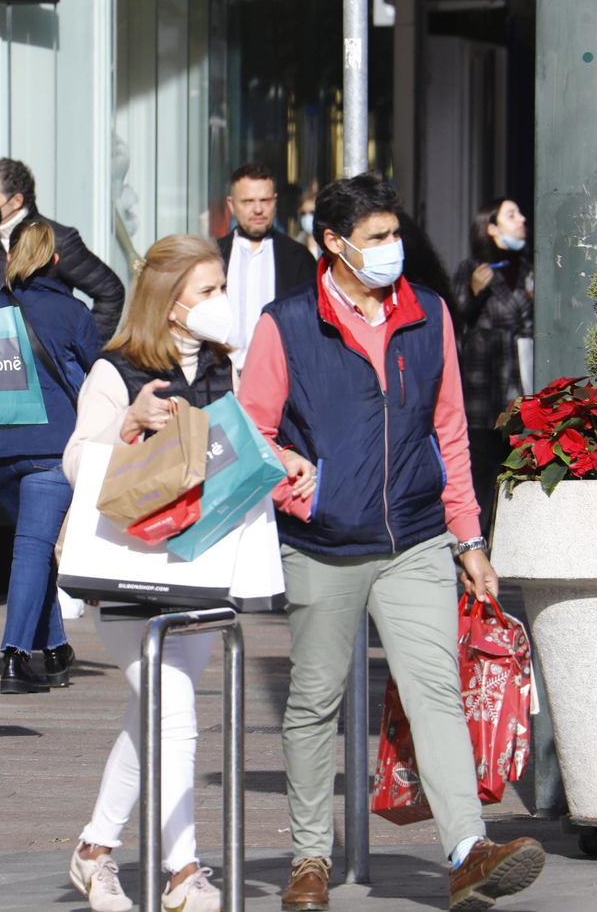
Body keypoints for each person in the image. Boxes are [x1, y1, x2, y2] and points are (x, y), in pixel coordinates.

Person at [238, 173, 545, 912]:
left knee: (436, 690)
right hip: (324, 543)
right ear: (336, 245)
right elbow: (251, 429)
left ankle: (468, 850)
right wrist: (292, 487)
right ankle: (310, 858)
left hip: (415, 537)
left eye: (394, 233)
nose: (391, 249)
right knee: (313, 701)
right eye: (375, 239)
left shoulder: (427, 313)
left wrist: (470, 538)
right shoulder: (286, 324)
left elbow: (448, 433)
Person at [61, 235, 241, 912]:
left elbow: (241, 445)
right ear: (169, 304)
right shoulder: (119, 369)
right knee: (175, 712)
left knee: (154, 715)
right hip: (127, 570)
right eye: (207, 290)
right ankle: (182, 871)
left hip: (198, 564)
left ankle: (93, 853)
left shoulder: (226, 366)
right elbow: (76, 464)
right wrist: (129, 425)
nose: (220, 301)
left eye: (221, 287)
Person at [0, 218, 102, 694]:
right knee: (34, 549)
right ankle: (16, 657)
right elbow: (101, 376)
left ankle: (57, 647)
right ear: (57, 260)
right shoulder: (73, 312)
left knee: (35, 549)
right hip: (50, 447)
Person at [0, 157, 125, 338]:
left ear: (16, 201)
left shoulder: (57, 239)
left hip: (42, 358)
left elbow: (110, 291)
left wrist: (84, 345)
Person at [451, 198, 534, 525]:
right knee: (482, 465)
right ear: (492, 227)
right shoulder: (472, 268)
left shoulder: (529, 269)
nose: (521, 219)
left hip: (520, 378)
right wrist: (473, 293)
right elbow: (455, 319)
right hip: (484, 383)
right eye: (511, 215)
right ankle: (476, 538)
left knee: (517, 458)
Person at [216, 162, 316, 373]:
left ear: (275, 202)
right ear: (231, 205)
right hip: (220, 380)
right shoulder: (212, 255)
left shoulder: (299, 259)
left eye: (265, 200)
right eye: (248, 201)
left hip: (280, 380)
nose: (258, 209)